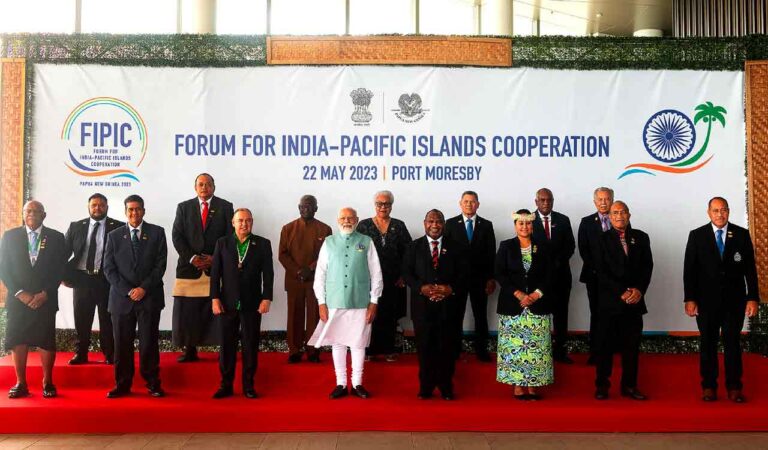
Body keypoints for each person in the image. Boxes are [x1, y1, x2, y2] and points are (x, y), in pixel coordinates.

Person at [683, 197, 760, 403]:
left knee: (732, 343)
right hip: (705, 302)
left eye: (723, 210)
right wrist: (690, 298)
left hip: (734, 302)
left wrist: (752, 298)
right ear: (708, 212)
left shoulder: (741, 234)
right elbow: (689, 270)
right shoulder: (697, 235)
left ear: (728, 211)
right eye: (716, 210)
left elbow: (750, 270)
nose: (720, 214)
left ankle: (734, 387)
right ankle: (709, 386)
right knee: (708, 343)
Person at [308, 207, 383, 399]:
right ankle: (341, 383)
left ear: (357, 220)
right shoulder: (329, 242)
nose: (347, 221)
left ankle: (357, 383)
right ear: (338, 220)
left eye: (350, 218)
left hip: (361, 301)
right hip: (334, 301)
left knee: (358, 343)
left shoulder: (366, 241)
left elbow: (376, 273)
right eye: (343, 218)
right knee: (338, 343)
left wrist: (374, 301)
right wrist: (321, 302)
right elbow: (320, 274)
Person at [0, 200, 66, 399]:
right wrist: (20, 293)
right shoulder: (10, 236)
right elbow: (4, 268)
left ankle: (47, 382)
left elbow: (60, 269)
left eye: (36, 211)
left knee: (46, 340)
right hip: (18, 299)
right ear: (23, 213)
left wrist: (45, 293)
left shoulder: (56, 237)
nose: (31, 214)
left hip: (45, 298)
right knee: (18, 339)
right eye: (28, 211)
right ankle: (21, 383)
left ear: (44, 215)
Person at [103, 195, 167, 398]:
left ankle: (152, 383)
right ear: (125, 212)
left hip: (149, 297)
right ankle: (122, 384)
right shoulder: (114, 236)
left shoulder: (157, 233)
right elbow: (109, 268)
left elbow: (160, 266)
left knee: (149, 343)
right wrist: (128, 290)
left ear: (143, 211)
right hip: (122, 299)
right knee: (122, 345)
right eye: (130, 209)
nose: (134, 213)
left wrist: (143, 288)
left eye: (138, 209)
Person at [209, 208, 274, 399]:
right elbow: (215, 274)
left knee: (250, 346)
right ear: (233, 223)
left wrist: (267, 298)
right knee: (226, 346)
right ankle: (226, 385)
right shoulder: (222, 243)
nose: (244, 224)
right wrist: (214, 298)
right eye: (240, 220)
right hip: (226, 304)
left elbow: (268, 274)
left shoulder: (262, 244)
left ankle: (248, 386)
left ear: (252, 222)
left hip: (252, 303)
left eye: (248, 220)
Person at [403, 209, 465, 400]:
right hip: (422, 307)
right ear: (425, 223)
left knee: (447, 347)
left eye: (438, 221)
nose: (435, 225)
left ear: (443, 224)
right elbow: (406, 273)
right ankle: (426, 387)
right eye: (431, 221)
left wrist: (450, 288)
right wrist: (421, 288)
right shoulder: (413, 247)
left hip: (449, 306)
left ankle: (446, 387)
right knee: (425, 347)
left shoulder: (457, 247)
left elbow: (464, 274)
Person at [593, 201, 652, 401]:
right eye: (615, 213)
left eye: (623, 212)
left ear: (629, 214)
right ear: (609, 217)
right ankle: (602, 385)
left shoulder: (641, 237)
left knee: (631, 348)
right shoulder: (601, 239)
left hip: (634, 302)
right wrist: (621, 292)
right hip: (610, 303)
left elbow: (647, 267)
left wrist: (639, 290)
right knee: (605, 347)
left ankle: (629, 386)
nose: (619, 216)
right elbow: (600, 271)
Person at [172, 173, 234, 362]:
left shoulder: (225, 207)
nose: (204, 187)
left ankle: (223, 350)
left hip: (216, 267)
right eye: (201, 184)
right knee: (188, 312)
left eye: (208, 184)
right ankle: (189, 350)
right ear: (195, 187)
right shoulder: (184, 207)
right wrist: (192, 258)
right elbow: (177, 236)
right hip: (189, 268)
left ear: (214, 187)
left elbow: (231, 236)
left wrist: (216, 258)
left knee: (219, 309)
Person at [495, 209, 553, 400]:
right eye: (521, 223)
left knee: (536, 348)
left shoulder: (543, 246)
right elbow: (500, 273)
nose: (524, 227)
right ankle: (518, 385)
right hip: (513, 305)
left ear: (532, 225)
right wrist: (519, 293)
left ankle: (533, 385)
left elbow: (550, 274)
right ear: (515, 225)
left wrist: (536, 294)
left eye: (528, 223)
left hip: (537, 305)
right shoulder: (506, 246)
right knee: (516, 349)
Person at [63, 193, 124, 365]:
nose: (97, 208)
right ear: (88, 207)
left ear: (107, 207)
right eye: (94, 205)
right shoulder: (76, 226)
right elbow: (63, 253)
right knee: (81, 318)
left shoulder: (118, 227)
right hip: (82, 279)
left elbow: (123, 256)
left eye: (101, 205)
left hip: (107, 279)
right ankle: (81, 353)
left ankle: (109, 354)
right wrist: (62, 276)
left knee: (107, 319)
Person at [356, 190, 412, 362]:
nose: (383, 207)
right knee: (370, 314)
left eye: (386, 204)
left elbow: (409, 252)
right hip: (369, 280)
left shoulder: (399, 225)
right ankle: (369, 350)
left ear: (391, 206)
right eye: (379, 204)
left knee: (390, 314)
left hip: (394, 280)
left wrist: (404, 276)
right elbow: (358, 250)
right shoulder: (364, 225)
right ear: (375, 205)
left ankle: (389, 349)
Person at [443, 191, 496, 361]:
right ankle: (454, 350)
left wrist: (491, 278)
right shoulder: (450, 224)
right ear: (460, 203)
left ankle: (481, 350)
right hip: (456, 279)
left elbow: (491, 254)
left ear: (477, 204)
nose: (469, 204)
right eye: (466, 201)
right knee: (455, 315)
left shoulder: (486, 225)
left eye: (472, 202)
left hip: (480, 279)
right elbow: (445, 252)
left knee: (480, 315)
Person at [278, 195, 332, 363]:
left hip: (316, 279)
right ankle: (294, 351)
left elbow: (327, 254)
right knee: (294, 315)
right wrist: (299, 271)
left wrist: (310, 269)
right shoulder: (288, 228)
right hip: (294, 279)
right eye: (302, 206)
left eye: (309, 206)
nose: (305, 209)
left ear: (316, 208)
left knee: (315, 316)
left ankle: (313, 350)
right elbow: (282, 255)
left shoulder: (325, 229)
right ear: (298, 208)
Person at [532, 188, 575, 364]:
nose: (546, 203)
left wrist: (556, 264)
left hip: (560, 277)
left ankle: (560, 353)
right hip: (537, 279)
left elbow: (570, 246)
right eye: (542, 200)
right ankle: (539, 353)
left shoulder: (563, 220)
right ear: (536, 202)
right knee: (539, 316)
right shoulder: (528, 220)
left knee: (561, 316)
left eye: (549, 200)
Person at [578, 186, 614, 364]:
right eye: (600, 199)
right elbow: (584, 250)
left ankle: (612, 349)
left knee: (614, 314)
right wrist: (600, 271)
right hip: (594, 277)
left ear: (612, 200)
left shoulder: (619, 218)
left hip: (616, 278)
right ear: (595, 202)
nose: (603, 202)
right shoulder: (586, 222)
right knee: (597, 313)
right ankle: (595, 352)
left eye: (607, 199)